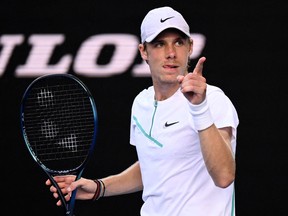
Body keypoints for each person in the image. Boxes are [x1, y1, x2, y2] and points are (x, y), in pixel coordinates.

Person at [46, 6, 239, 216]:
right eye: (159, 44)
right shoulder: (141, 103)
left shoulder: (213, 99)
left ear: (190, 47)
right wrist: (99, 187)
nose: (171, 53)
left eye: (179, 42)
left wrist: (199, 108)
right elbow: (154, 166)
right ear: (143, 51)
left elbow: (224, 176)